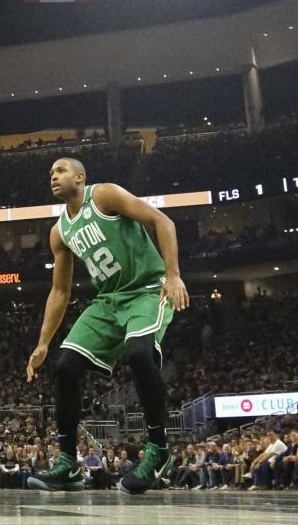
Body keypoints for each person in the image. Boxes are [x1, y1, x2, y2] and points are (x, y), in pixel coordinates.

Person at [26, 158, 189, 494]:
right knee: (66, 366)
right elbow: (60, 290)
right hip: (108, 300)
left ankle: (158, 449)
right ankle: (68, 463)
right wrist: (43, 342)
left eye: (60, 171)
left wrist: (172, 274)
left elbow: (162, 220)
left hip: (146, 289)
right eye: (50, 174)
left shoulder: (104, 195)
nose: (53, 176)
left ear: (80, 176)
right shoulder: (59, 232)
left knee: (140, 353)